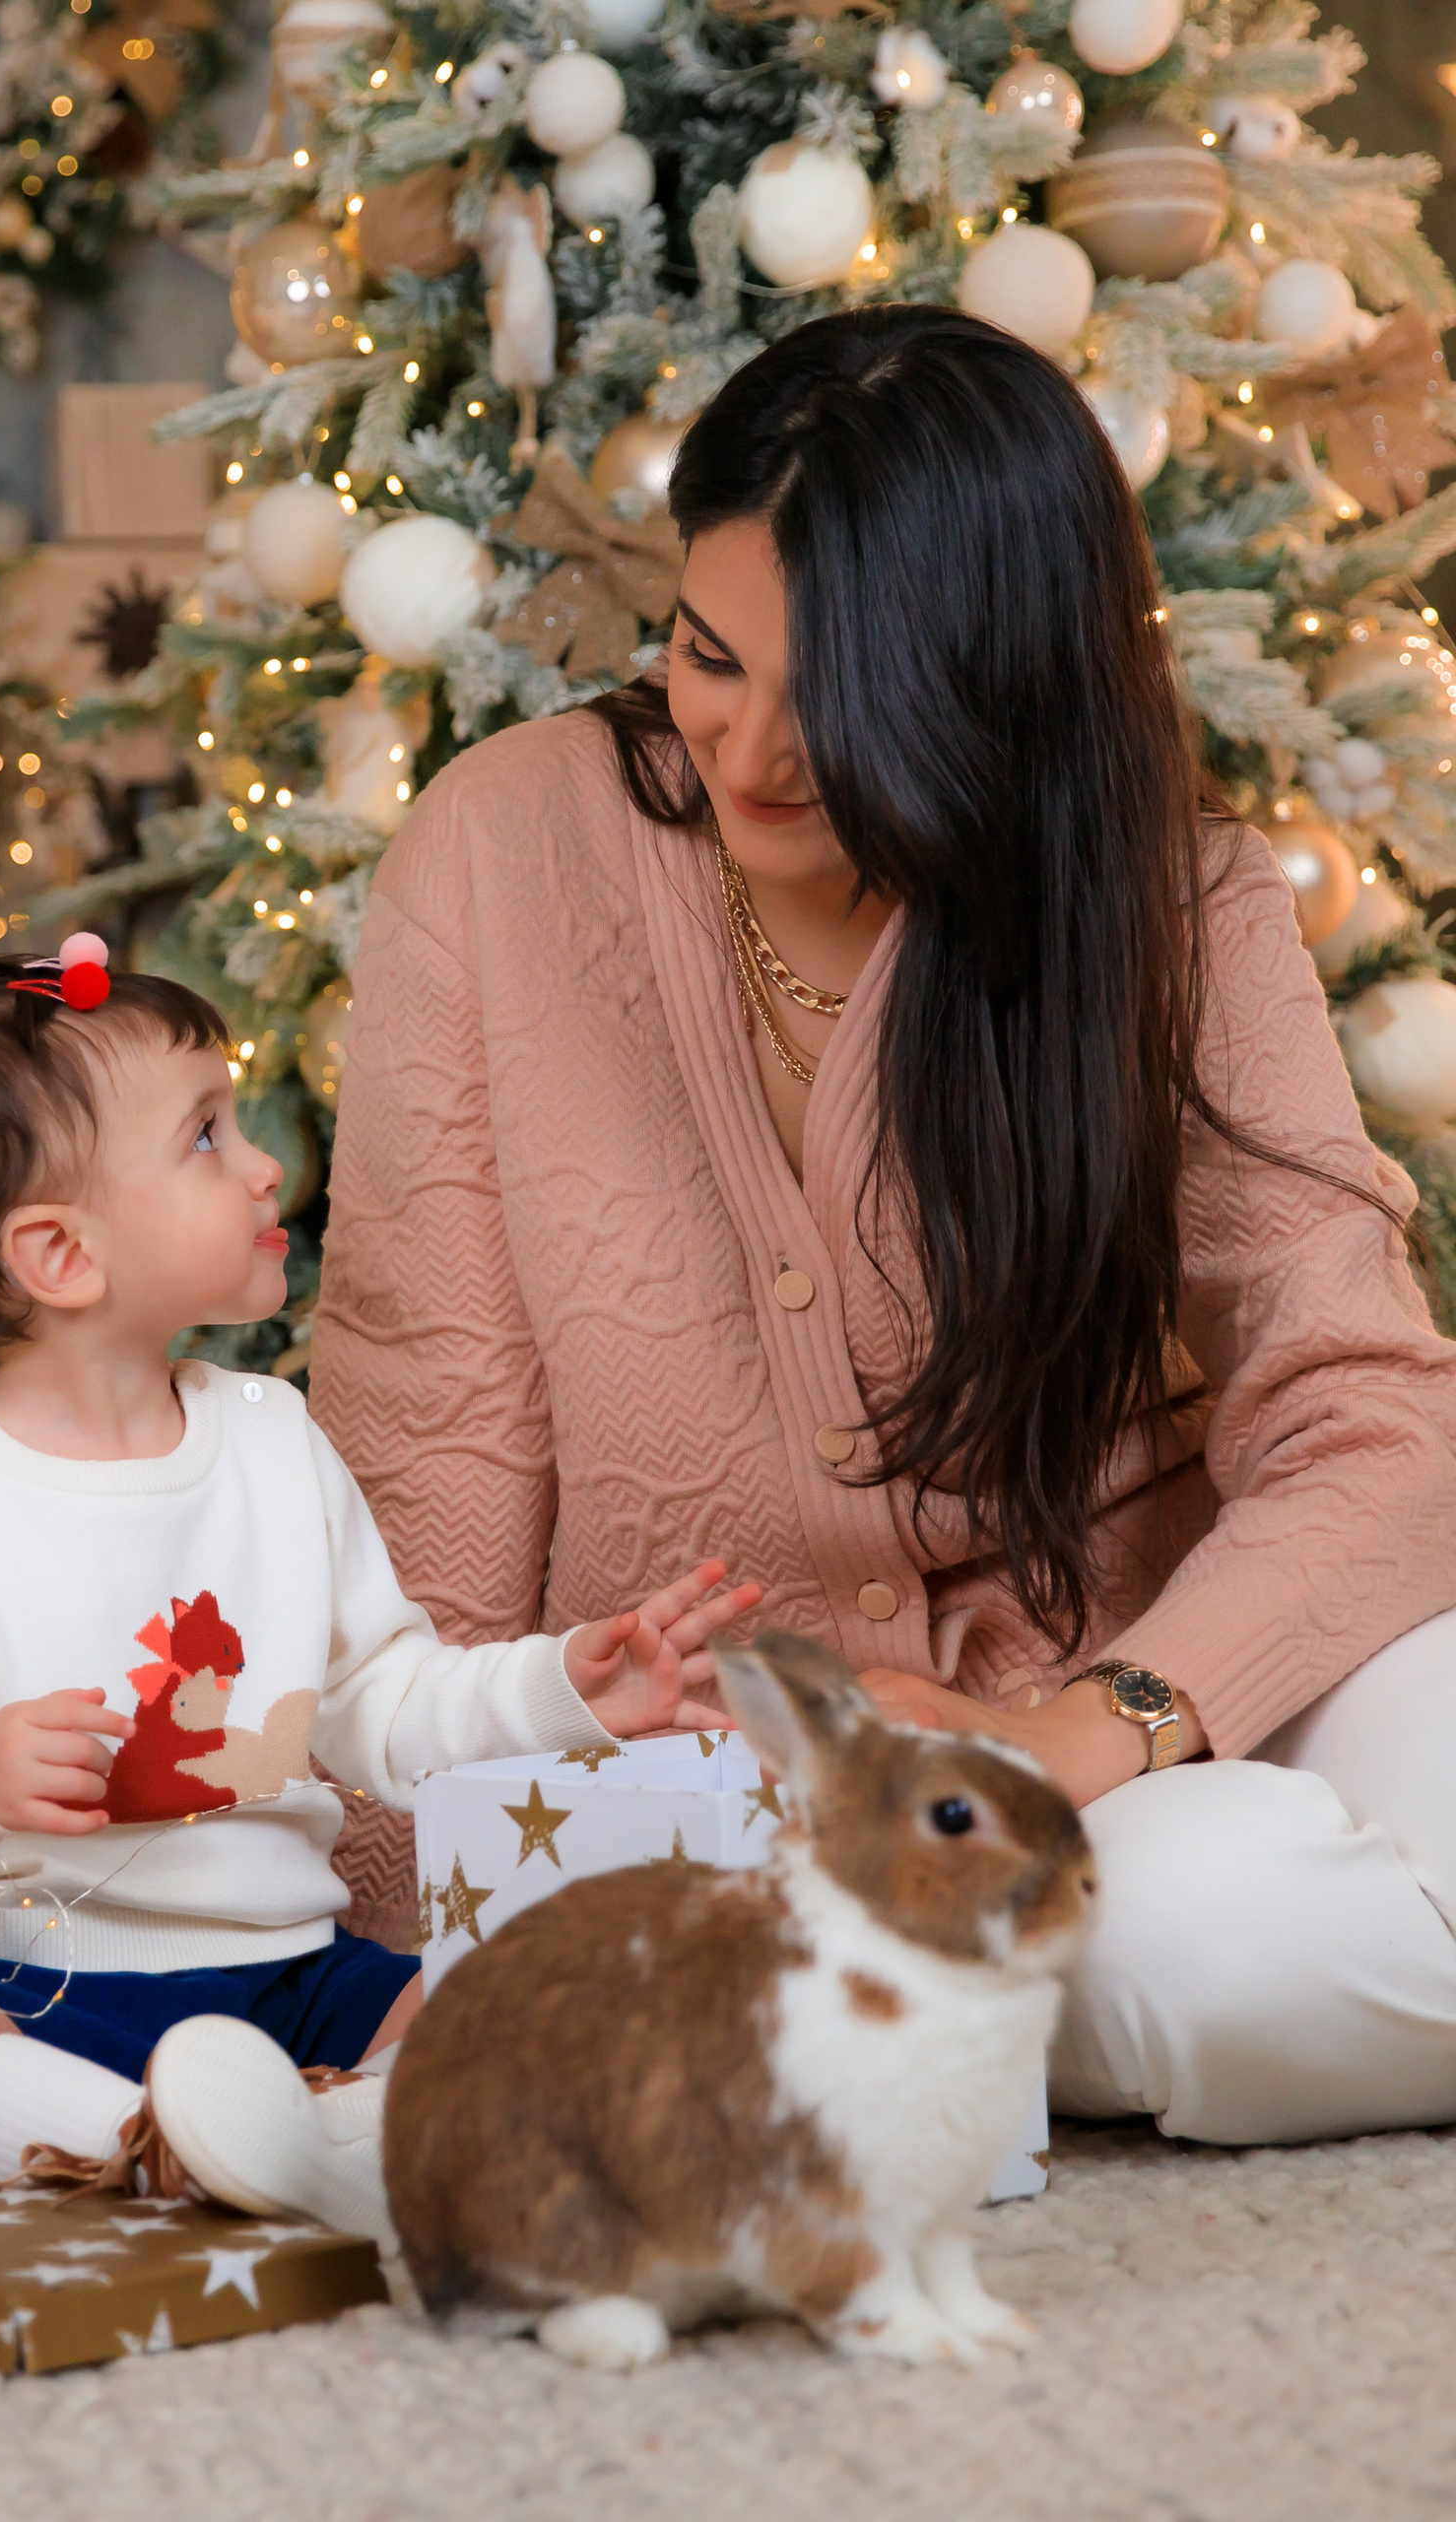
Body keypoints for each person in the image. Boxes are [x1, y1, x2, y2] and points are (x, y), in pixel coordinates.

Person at [313, 302, 1456, 2150]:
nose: (751, 748)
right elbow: (428, 1439)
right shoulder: (501, 852)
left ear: (993, 680)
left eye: (837, 690)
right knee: (1198, 1953)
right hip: (778, 1798)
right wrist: (401, 1952)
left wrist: (1100, 1724)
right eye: (707, 655)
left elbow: (1376, 1423)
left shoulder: (1171, 895)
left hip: (1160, 1682)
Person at [0, 940, 760, 2236]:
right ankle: (128, 2145)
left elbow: (378, 1704)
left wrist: (564, 1684)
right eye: (204, 1137)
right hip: (34, 1980)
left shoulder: (273, 1443)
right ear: (60, 1256)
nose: (264, 1166)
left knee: (494, 2004)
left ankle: (306, 2130)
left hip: (288, 1978)